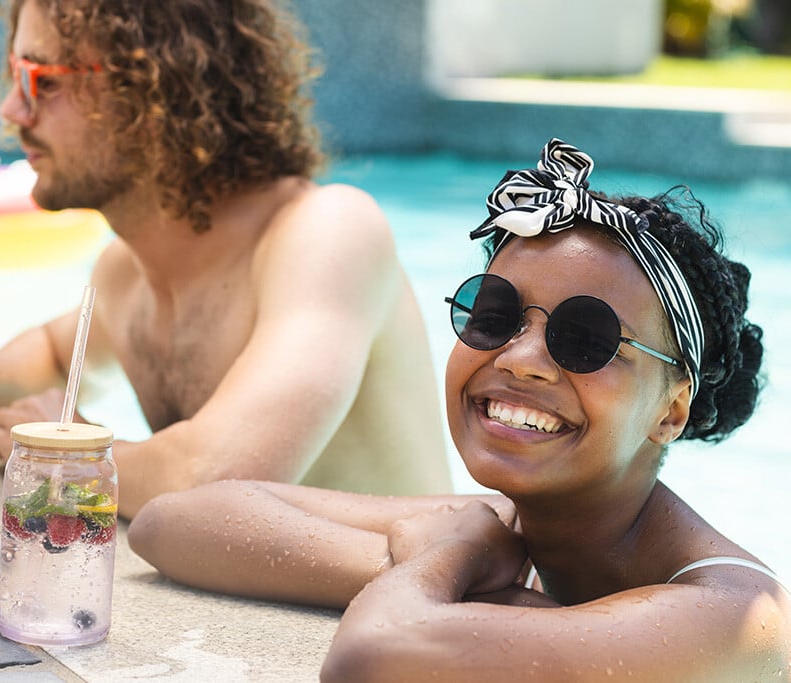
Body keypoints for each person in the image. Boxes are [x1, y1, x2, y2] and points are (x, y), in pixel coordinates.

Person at [128, 138, 790, 681]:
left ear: (672, 410)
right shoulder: (513, 528)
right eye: (495, 312)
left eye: (587, 339)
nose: (522, 357)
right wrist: (463, 562)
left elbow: (374, 656)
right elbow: (171, 521)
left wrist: (438, 567)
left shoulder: (736, 614)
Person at [0, 0, 452, 519]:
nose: (12, 110)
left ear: (153, 86)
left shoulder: (328, 234)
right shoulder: (123, 274)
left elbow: (214, 478)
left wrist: (70, 455)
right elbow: (53, 361)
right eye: (15, 75)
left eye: (41, 80)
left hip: (405, 593)